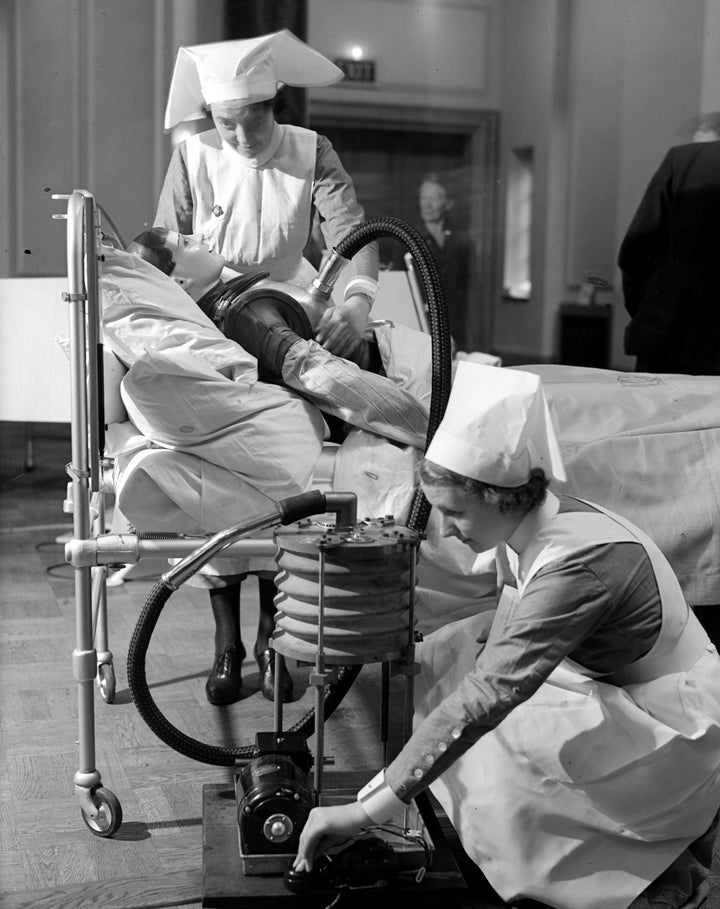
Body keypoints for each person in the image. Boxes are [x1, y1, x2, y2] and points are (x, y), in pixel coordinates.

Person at [294, 361, 720, 909]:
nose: (442, 529)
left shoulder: (576, 566)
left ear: (501, 499)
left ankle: (643, 883)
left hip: (677, 727)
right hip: (615, 678)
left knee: (498, 745)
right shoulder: (538, 521)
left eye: (454, 514)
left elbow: (487, 697)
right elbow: (493, 647)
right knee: (447, 653)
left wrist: (362, 809)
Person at [125, 227, 429, 709]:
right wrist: (426, 427)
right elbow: (323, 375)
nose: (199, 233)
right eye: (185, 240)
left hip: (387, 363)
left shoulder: (235, 302)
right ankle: (230, 646)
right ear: (179, 281)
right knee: (236, 509)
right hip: (382, 380)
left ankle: (269, 643)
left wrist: (351, 300)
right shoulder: (239, 315)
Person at [154, 29, 380, 364]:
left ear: (274, 108)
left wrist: (358, 300)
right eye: (227, 125)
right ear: (210, 114)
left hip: (298, 299)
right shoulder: (192, 157)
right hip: (213, 306)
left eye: (255, 121)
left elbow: (351, 233)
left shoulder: (311, 151)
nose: (243, 138)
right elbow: (164, 250)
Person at [617, 139, 720, 375]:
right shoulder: (684, 161)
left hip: (668, 338)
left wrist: (654, 310)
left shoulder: (685, 161)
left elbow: (635, 253)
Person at [406, 173, 473, 351]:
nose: (427, 205)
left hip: (454, 320)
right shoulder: (409, 236)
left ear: (448, 203)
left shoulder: (459, 238)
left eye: (435, 198)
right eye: (423, 198)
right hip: (421, 322)